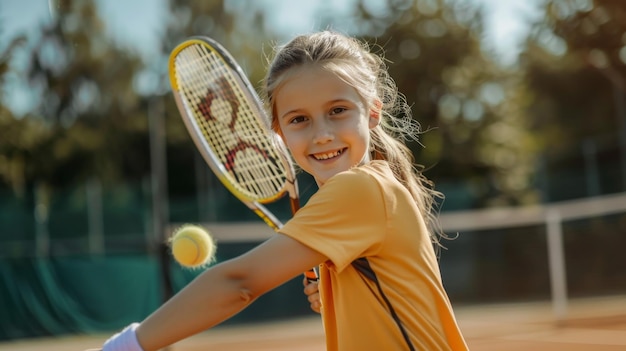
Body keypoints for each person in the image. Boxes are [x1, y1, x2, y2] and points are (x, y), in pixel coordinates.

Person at [89, 30, 468, 351]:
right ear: (278, 133)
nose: (321, 134)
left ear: (372, 112)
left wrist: (128, 344)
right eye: (299, 119)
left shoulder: (360, 189)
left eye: (338, 110)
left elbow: (239, 284)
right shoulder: (375, 187)